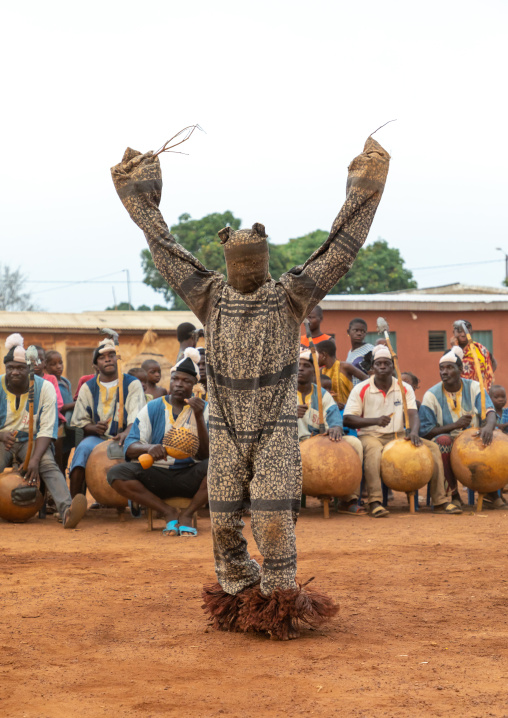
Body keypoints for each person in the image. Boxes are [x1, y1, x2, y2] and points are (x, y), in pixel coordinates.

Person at [112, 133, 389, 640]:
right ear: (225, 265)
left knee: (272, 519)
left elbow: (338, 249)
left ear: (263, 260)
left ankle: (280, 600)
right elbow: (165, 249)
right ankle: (241, 597)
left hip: (277, 428)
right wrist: (140, 195)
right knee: (220, 520)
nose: (242, 272)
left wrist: (364, 187)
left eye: (251, 264)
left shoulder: (289, 294)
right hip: (226, 427)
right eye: (235, 265)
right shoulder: (210, 295)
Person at [344, 345, 461, 517]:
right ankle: (375, 501)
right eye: (379, 363)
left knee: (433, 448)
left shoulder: (404, 387)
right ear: (372, 367)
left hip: (399, 436)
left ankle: (440, 501)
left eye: (386, 363)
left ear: (393, 367)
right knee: (374, 451)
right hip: (371, 435)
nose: (383, 366)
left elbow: (413, 414)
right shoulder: (361, 389)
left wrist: (413, 432)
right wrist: (375, 420)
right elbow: (348, 419)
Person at [108, 349, 209, 536]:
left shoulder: (204, 409)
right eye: (175, 379)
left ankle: (188, 513)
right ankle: (167, 512)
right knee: (116, 473)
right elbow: (130, 447)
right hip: (157, 476)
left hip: (191, 477)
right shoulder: (153, 407)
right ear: (169, 381)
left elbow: (205, 455)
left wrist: (199, 417)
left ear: (195, 386)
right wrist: (148, 447)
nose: (179, 384)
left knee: (219, 468)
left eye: (186, 381)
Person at [0, 334, 87, 528]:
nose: (14, 372)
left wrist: (35, 459)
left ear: (29, 369)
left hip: (34, 440)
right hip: (3, 440)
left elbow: (47, 428)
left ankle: (67, 511)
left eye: (20, 368)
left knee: (48, 465)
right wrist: (1, 435)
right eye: (10, 367)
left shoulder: (45, 388)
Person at [419, 346, 506, 510]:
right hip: (449, 442)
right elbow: (426, 431)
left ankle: (491, 492)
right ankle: (453, 495)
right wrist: (455, 425)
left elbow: (490, 412)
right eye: (441, 368)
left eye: (449, 368)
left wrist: (488, 426)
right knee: (442, 441)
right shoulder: (431, 396)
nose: (444, 372)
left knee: (493, 436)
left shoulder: (474, 387)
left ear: (460, 370)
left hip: (474, 438)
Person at [69, 337, 146, 497]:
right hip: (98, 439)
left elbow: (137, 417)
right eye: (102, 358)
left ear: (118, 359)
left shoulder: (133, 384)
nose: (108, 359)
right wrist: (93, 428)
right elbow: (81, 421)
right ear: (96, 365)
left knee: (142, 457)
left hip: (128, 438)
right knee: (82, 450)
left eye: (111, 355)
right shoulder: (87, 387)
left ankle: (139, 502)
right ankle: (75, 502)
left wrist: (126, 433)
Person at [298, 350, 364, 514]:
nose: (300, 369)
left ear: (314, 371)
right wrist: (289, 415)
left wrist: (336, 426)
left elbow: (334, 414)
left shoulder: (322, 394)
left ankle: (348, 499)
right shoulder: (282, 393)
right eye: (297, 365)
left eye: (306, 366)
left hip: (322, 442)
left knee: (355, 444)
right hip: (294, 444)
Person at [317, 339, 368, 408]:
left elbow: (367, 380)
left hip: (349, 410)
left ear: (323, 355)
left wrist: (358, 397)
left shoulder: (345, 366)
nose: (315, 358)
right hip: (329, 412)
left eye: (316, 355)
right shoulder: (320, 372)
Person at [451, 319, 496, 392]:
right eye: (459, 331)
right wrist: (455, 347)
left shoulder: (480, 349)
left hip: (479, 392)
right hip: (461, 393)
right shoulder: (450, 352)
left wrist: (487, 378)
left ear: (471, 332)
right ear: (454, 333)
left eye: (466, 331)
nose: (463, 334)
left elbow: (493, 362)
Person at [346, 318, 375, 385]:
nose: (359, 333)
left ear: (365, 333)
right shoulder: (350, 353)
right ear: (348, 332)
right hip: (353, 392)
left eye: (362, 331)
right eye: (356, 330)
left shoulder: (370, 350)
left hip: (366, 390)